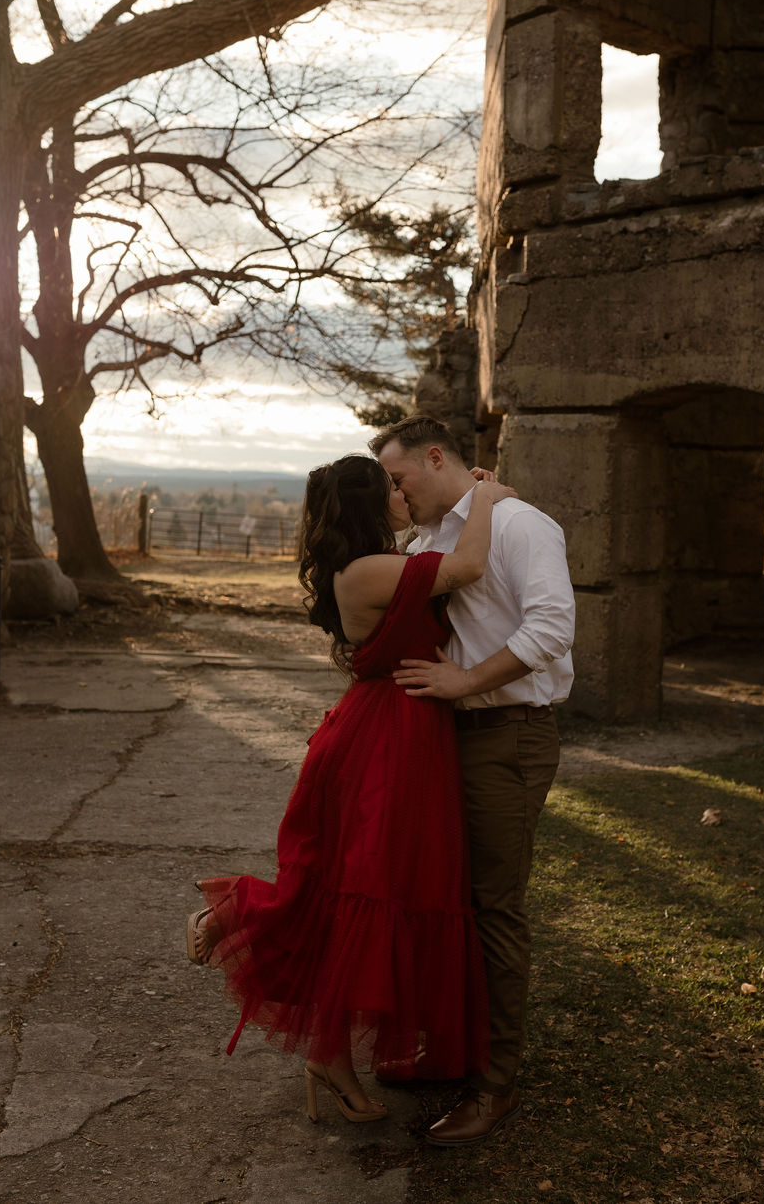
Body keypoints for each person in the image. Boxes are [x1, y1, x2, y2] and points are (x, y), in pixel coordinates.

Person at [184, 453, 517, 1125]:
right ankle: (241, 915)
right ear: (369, 505)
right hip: (386, 742)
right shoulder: (368, 570)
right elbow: (470, 567)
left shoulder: (377, 562)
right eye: (390, 488)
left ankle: (329, 1054)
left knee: (367, 894)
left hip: (398, 731)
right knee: (367, 895)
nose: (402, 495)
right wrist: (485, 497)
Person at [371, 416, 574, 1147]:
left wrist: (465, 682)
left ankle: (496, 1085)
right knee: (441, 901)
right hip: (441, 745)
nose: (395, 494)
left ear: (435, 457)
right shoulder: (427, 540)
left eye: (400, 479)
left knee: (492, 908)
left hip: (507, 738)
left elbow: (551, 629)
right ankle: (451, 1051)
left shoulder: (521, 524)